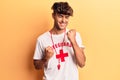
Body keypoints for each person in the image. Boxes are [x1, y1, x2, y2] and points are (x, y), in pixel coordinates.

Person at [33, 2, 86, 80]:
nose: (63, 20)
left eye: (67, 17)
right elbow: (36, 66)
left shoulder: (75, 35)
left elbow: (82, 63)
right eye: (60, 16)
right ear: (53, 16)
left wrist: (73, 41)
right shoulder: (42, 39)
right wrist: (45, 58)